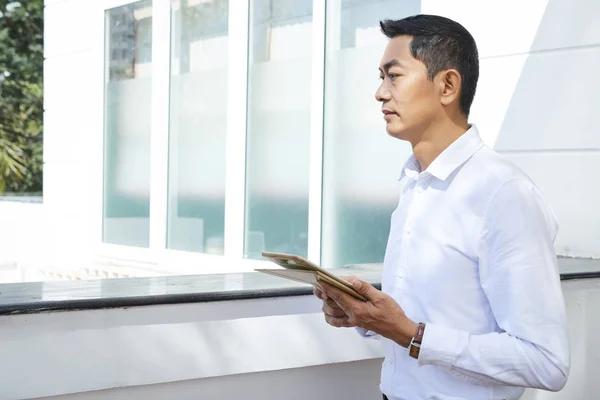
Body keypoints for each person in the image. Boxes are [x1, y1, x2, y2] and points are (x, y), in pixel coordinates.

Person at [313, 14, 570, 400]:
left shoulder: (504, 194)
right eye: (380, 78)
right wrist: (362, 314)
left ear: (448, 85)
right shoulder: (414, 183)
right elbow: (422, 312)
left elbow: (547, 361)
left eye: (393, 75)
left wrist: (411, 335)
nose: (380, 93)